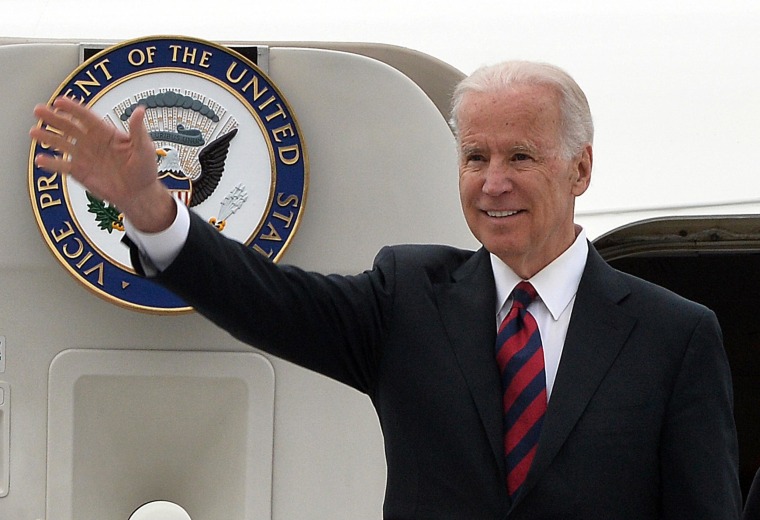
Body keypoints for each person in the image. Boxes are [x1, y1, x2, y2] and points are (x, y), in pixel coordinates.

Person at [31, 60, 742, 519]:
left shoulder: (673, 335)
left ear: (580, 170)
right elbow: (266, 299)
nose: (492, 182)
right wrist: (154, 211)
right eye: (474, 157)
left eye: (520, 156)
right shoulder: (407, 297)